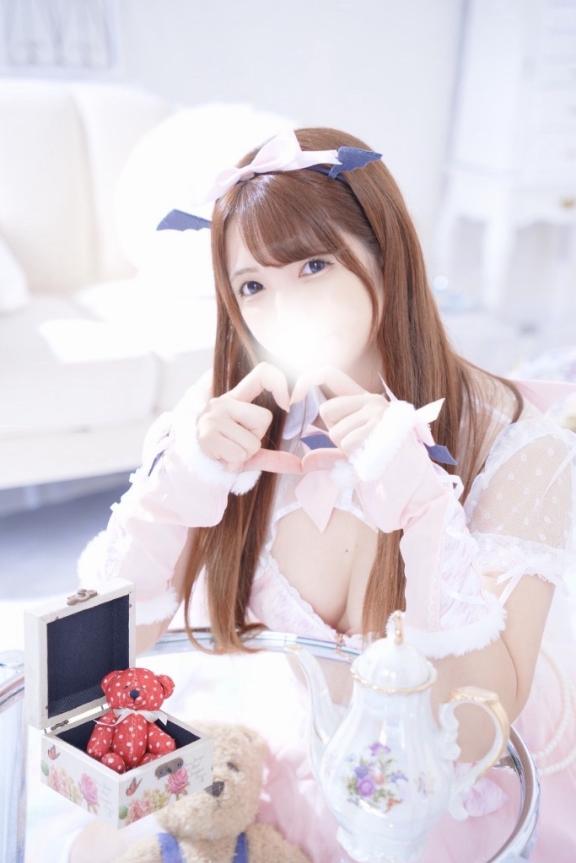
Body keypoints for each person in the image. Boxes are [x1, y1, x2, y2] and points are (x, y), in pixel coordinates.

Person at [76, 127, 576, 862]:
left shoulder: (521, 444)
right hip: (298, 772)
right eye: (253, 285)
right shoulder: (230, 416)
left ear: (387, 255)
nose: (284, 308)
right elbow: (92, 656)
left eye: (313, 265)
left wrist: (424, 508)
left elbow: (476, 735)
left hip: (446, 803)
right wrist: (176, 490)